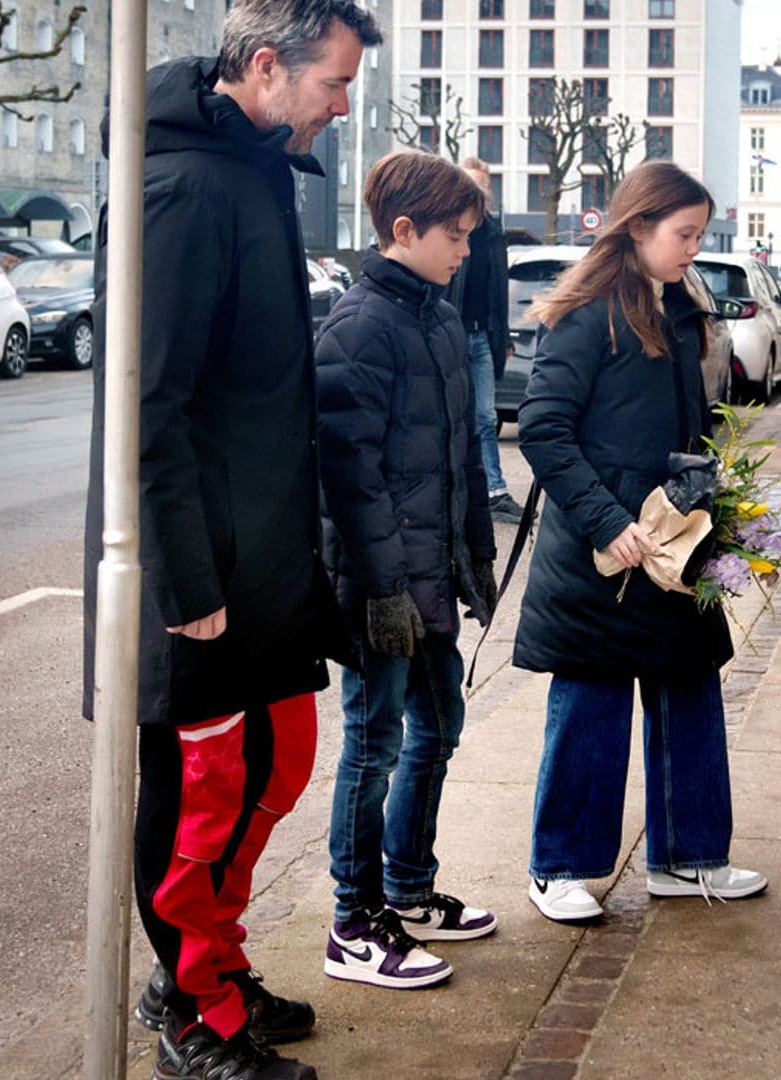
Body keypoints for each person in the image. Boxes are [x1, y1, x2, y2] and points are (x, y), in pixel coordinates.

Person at [82, 0, 381, 1076]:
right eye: (333, 84)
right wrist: (186, 577)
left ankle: (216, 965)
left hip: (264, 555)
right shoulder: (184, 186)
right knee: (198, 798)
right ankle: (189, 1009)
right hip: (201, 570)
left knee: (275, 766)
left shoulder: (255, 169)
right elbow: (148, 405)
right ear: (265, 67)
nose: (342, 108)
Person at [515, 161, 766, 924]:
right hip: (607, 556)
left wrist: (717, 511)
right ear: (639, 226)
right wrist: (608, 520)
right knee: (590, 706)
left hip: (674, 543)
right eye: (684, 233)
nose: (695, 246)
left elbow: (691, 428)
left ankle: (688, 858)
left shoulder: (683, 308)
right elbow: (544, 431)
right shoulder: (589, 314)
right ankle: (561, 866)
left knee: (689, 692)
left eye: (699, 233)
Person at [316, 151, 499, 992]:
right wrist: (383, 591)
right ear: (403, 231)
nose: (465, 249)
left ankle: (408, 888)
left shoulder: (435, 317)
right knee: (373, 746)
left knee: (437, 730)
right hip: (382, 589)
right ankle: (354, 921)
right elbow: (351, 478)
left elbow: (462, 456)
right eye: (455, 235)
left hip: (428, 580)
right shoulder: (360, 326)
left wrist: (476, 557)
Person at [449, 155, 521, 524]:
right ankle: (458, 489)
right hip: (451, 334)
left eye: (482, 186)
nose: (476, 192)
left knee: (485, 416)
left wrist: (502, 336)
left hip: (481, 336)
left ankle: (495, 491)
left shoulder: (493, 233)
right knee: (451, 414)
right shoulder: (446, 228)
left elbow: (499, 291)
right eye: (470, 185)